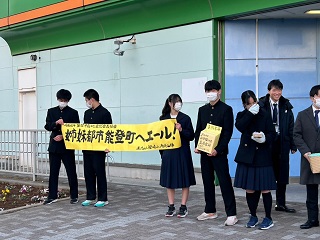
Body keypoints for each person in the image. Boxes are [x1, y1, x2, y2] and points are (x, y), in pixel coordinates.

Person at [194, 80, 237, 226]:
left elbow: (227, 133)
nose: (210, 93)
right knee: (207, 181)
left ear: (219, 91)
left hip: (219, 153)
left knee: (224, 182)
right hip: (205, 152)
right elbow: (199, 130)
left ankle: (231, 213)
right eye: (208, 91)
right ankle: (210, 210)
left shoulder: (226, 109)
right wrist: (197, 146)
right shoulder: (202, 110)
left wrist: (217, 149)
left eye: (213, 90)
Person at [234, 90, 277, 230]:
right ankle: (253, 215)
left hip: (263, 155)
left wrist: (265, 138)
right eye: (249, 104)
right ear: (244, 104)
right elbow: (240, 126)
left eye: (254, 103)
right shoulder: (242, 115)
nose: (253, 106)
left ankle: (268, 217)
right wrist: (250, 113)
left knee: (265, 189)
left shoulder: (265, 114)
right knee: (250, 189)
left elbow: (272, 133)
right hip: (247, 156)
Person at [259, 79, 297, 213]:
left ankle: (280, 203)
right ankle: (259, 204)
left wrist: (293, 144)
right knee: (263, 173)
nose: (277, 93)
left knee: (282, 175)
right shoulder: (261, 104)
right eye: (274, 90)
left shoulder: (286, 105)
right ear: (269, 91)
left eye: (279, 90)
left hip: (282, 144)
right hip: (265, 144)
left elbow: (291, 126)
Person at [159, 94, 196, 218]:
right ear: (170, 103)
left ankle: (183, 206)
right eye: (176, 102)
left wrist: (181, 130)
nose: (178, 104)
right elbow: (159, 138)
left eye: (180, 101)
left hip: (182, 152)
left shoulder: (185, 118)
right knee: (170, 180)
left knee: (185, 180)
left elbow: (191, 135)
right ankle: (171, 206)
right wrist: (162, 153)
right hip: (168, 153)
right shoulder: (163, 119)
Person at [44, 89, 80, 205]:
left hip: (67, 146)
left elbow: (76, 129)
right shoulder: (51, 111)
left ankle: (74, 196)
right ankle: (52, 196)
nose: (62, 102)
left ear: (68, 101)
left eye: (65, 100)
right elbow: (47, 126)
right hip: (54, 146)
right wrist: (56, 124)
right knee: (53, 172)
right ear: (57, 99)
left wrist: (64, 136)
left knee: (71, 171)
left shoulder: (73, 113)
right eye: (61, 100)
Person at [293, 85, 320, 229]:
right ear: (312, 98)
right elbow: (296, 135)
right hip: (310, 158)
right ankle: (312, 219)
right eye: (319, 96)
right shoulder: (302, 115)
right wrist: (305, 152)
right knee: (311, 191)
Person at [81, 89, 112, 208]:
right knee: (88, 173)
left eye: (86, 100)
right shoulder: (87, 113)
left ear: (92, 100)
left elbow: (110, 131)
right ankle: (90, 196)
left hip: (99, 149)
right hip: (87, 148)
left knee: (99, 172)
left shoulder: (104, 113)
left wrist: (108, 146)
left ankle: (103, 198)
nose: (86, 102)